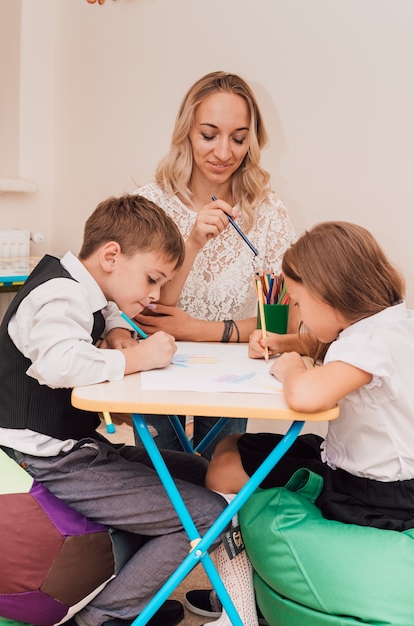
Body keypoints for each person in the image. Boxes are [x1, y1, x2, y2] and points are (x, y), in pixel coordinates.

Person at [0, 194, 227, 626]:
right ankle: (106, 616)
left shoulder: (81, 285)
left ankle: (135, 594)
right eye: (152, 280)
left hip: (76, 444)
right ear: (111, 256)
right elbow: (58, 363)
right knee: (207, 515)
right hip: (51, 457)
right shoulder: (59, 295)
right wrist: (135, 358)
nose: (155, 295)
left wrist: (121, 333)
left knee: (199, 472)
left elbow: (109, 311)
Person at [186, 220, 414, 625]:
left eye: (299, 302)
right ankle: (239, 600)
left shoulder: (369, 341)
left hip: (376, 498)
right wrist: (285, 342)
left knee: (224, 468)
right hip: (382, 481)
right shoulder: (391, 323)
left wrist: (289, 368)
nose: (300, 316)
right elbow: (321, 342)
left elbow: (306, 395)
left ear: (327, 295)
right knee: (233, 448)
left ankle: (236, 607)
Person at [132, 70, 298, 457]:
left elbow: (285, 322)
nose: (224, 153)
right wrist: (190, 243)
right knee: (161, 481)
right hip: (154, 365)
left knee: (217, 480)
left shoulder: (268, 212)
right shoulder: (150, 204)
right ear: (186, 133)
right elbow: (149, 310)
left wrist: (202, 330)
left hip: (232, 375)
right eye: (209, 135)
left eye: (239, 138)